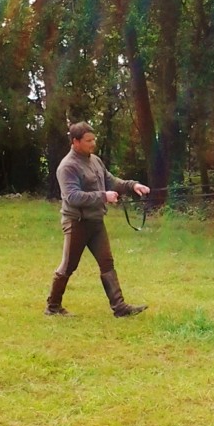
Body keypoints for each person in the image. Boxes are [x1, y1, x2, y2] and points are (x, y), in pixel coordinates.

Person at [45, 121, 151, 317]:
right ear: (75, 141)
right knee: (69, 265)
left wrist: (133, 186)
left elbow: (111, 180)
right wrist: (103, 196)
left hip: (96, 222)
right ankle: (53, 307)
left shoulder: (95, 160)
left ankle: (119, 308)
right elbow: (72, 197)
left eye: (94, 139)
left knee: (107, 262)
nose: (93, 143)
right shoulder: (67, 167)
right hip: (76, 223)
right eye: (88, 140)